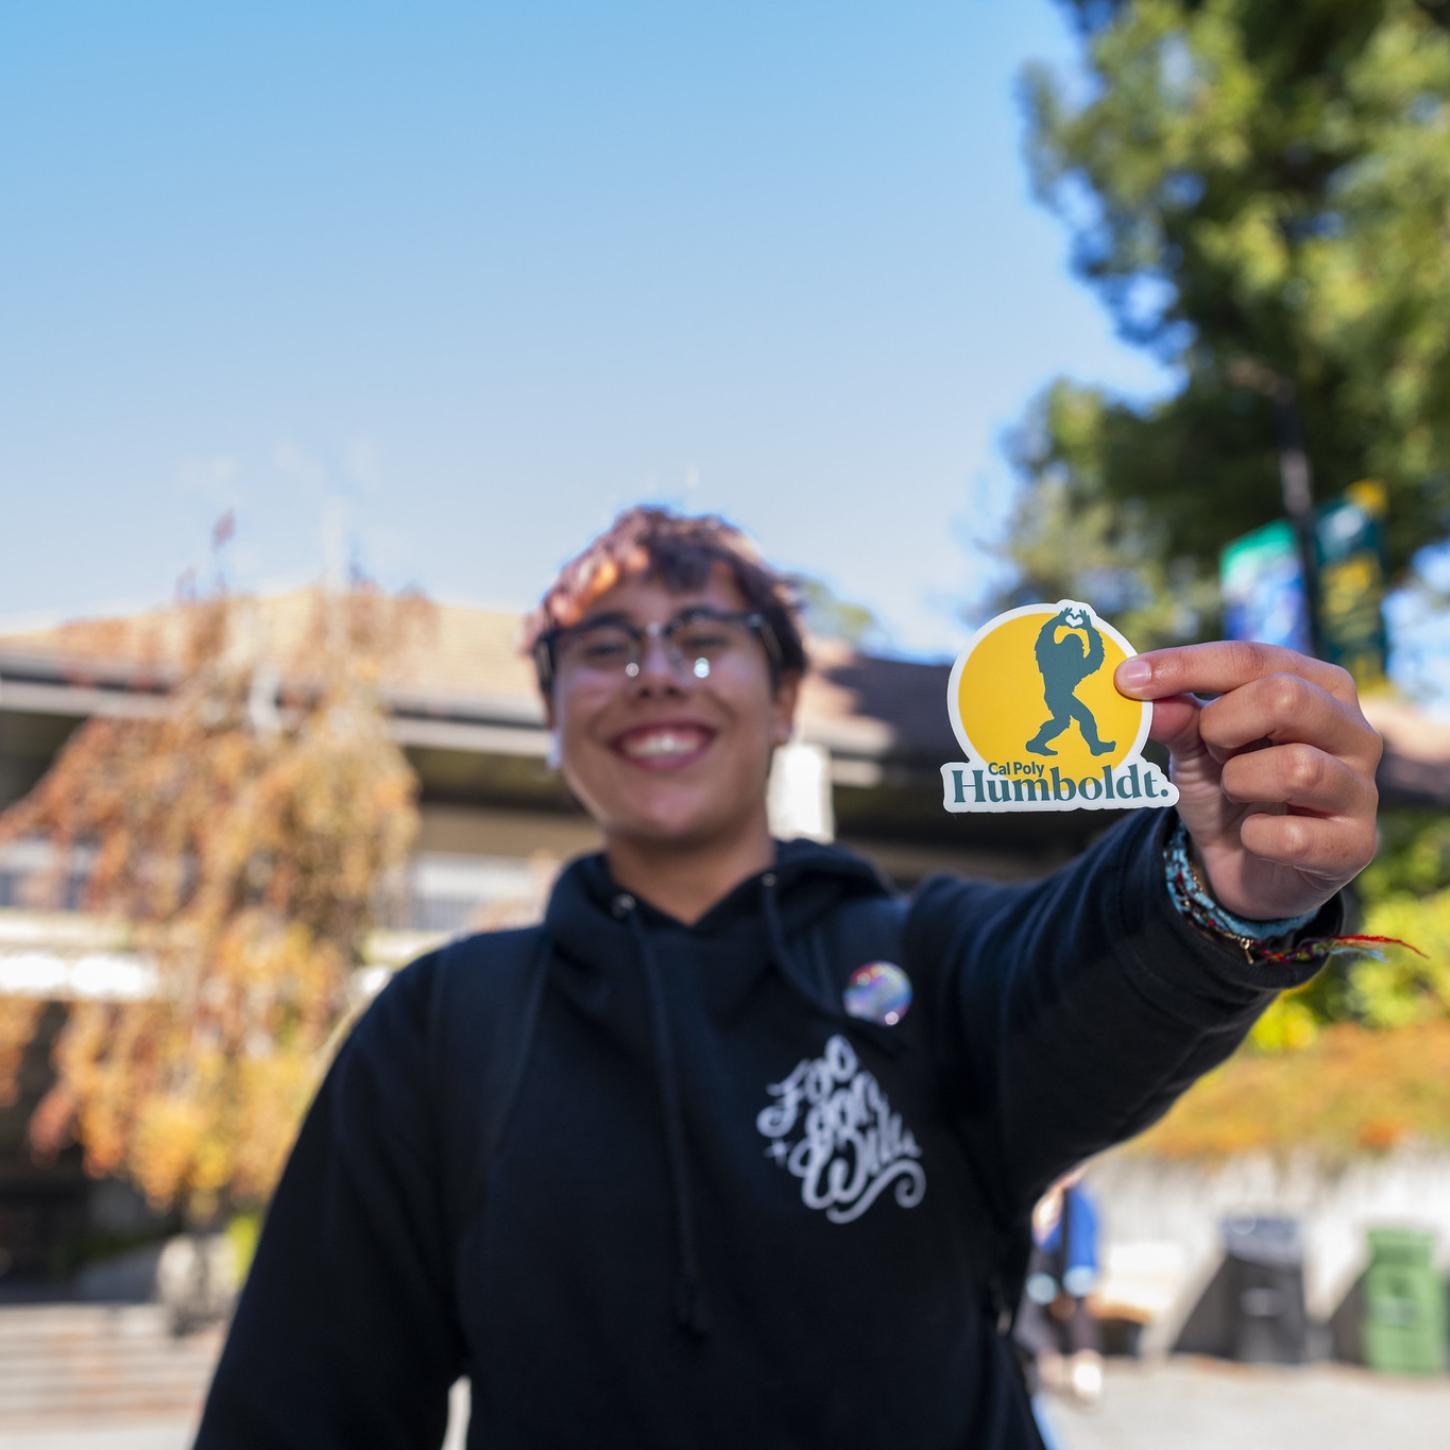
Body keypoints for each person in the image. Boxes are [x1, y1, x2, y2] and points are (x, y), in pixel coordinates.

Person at [192, 505, 1381, 1449]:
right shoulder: (440, 1029)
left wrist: (1211, 885)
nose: (657, 672)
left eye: (706, 638)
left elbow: (1076, 963)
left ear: (786, 702)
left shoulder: (926, 957)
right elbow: (301, 1412)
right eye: (604, 648)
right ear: (551, 715)